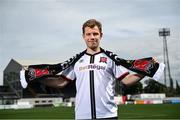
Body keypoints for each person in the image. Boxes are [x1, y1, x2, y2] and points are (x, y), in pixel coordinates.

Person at [20, 19, 164, 119]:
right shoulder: (76, 60)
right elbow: (61, 82)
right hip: (82, 116)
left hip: (108, 116)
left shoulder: (110, 58)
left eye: (95, 34)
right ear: (83, 36)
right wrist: (38, 77)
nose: (92, 37)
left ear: (101, 35)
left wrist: (146, 70)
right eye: (88, 34)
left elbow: (126, 80)